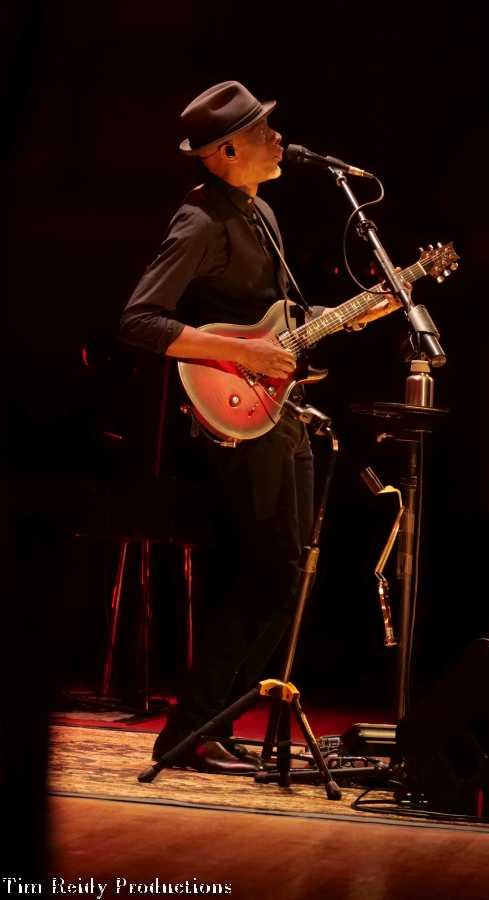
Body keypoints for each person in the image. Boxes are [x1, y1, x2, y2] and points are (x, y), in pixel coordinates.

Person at [120, 81, 402, 774]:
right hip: (237, 415)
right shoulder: (199, 220)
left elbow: (276, 327)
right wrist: (243, 354)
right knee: (273, 574)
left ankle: (206, 725)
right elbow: (139, 321)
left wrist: (355, 313)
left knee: (288, 576)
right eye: (262, 131)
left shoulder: (261, 213)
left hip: (279, 412)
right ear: (225, 151)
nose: (279, 139)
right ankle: (188, 730)